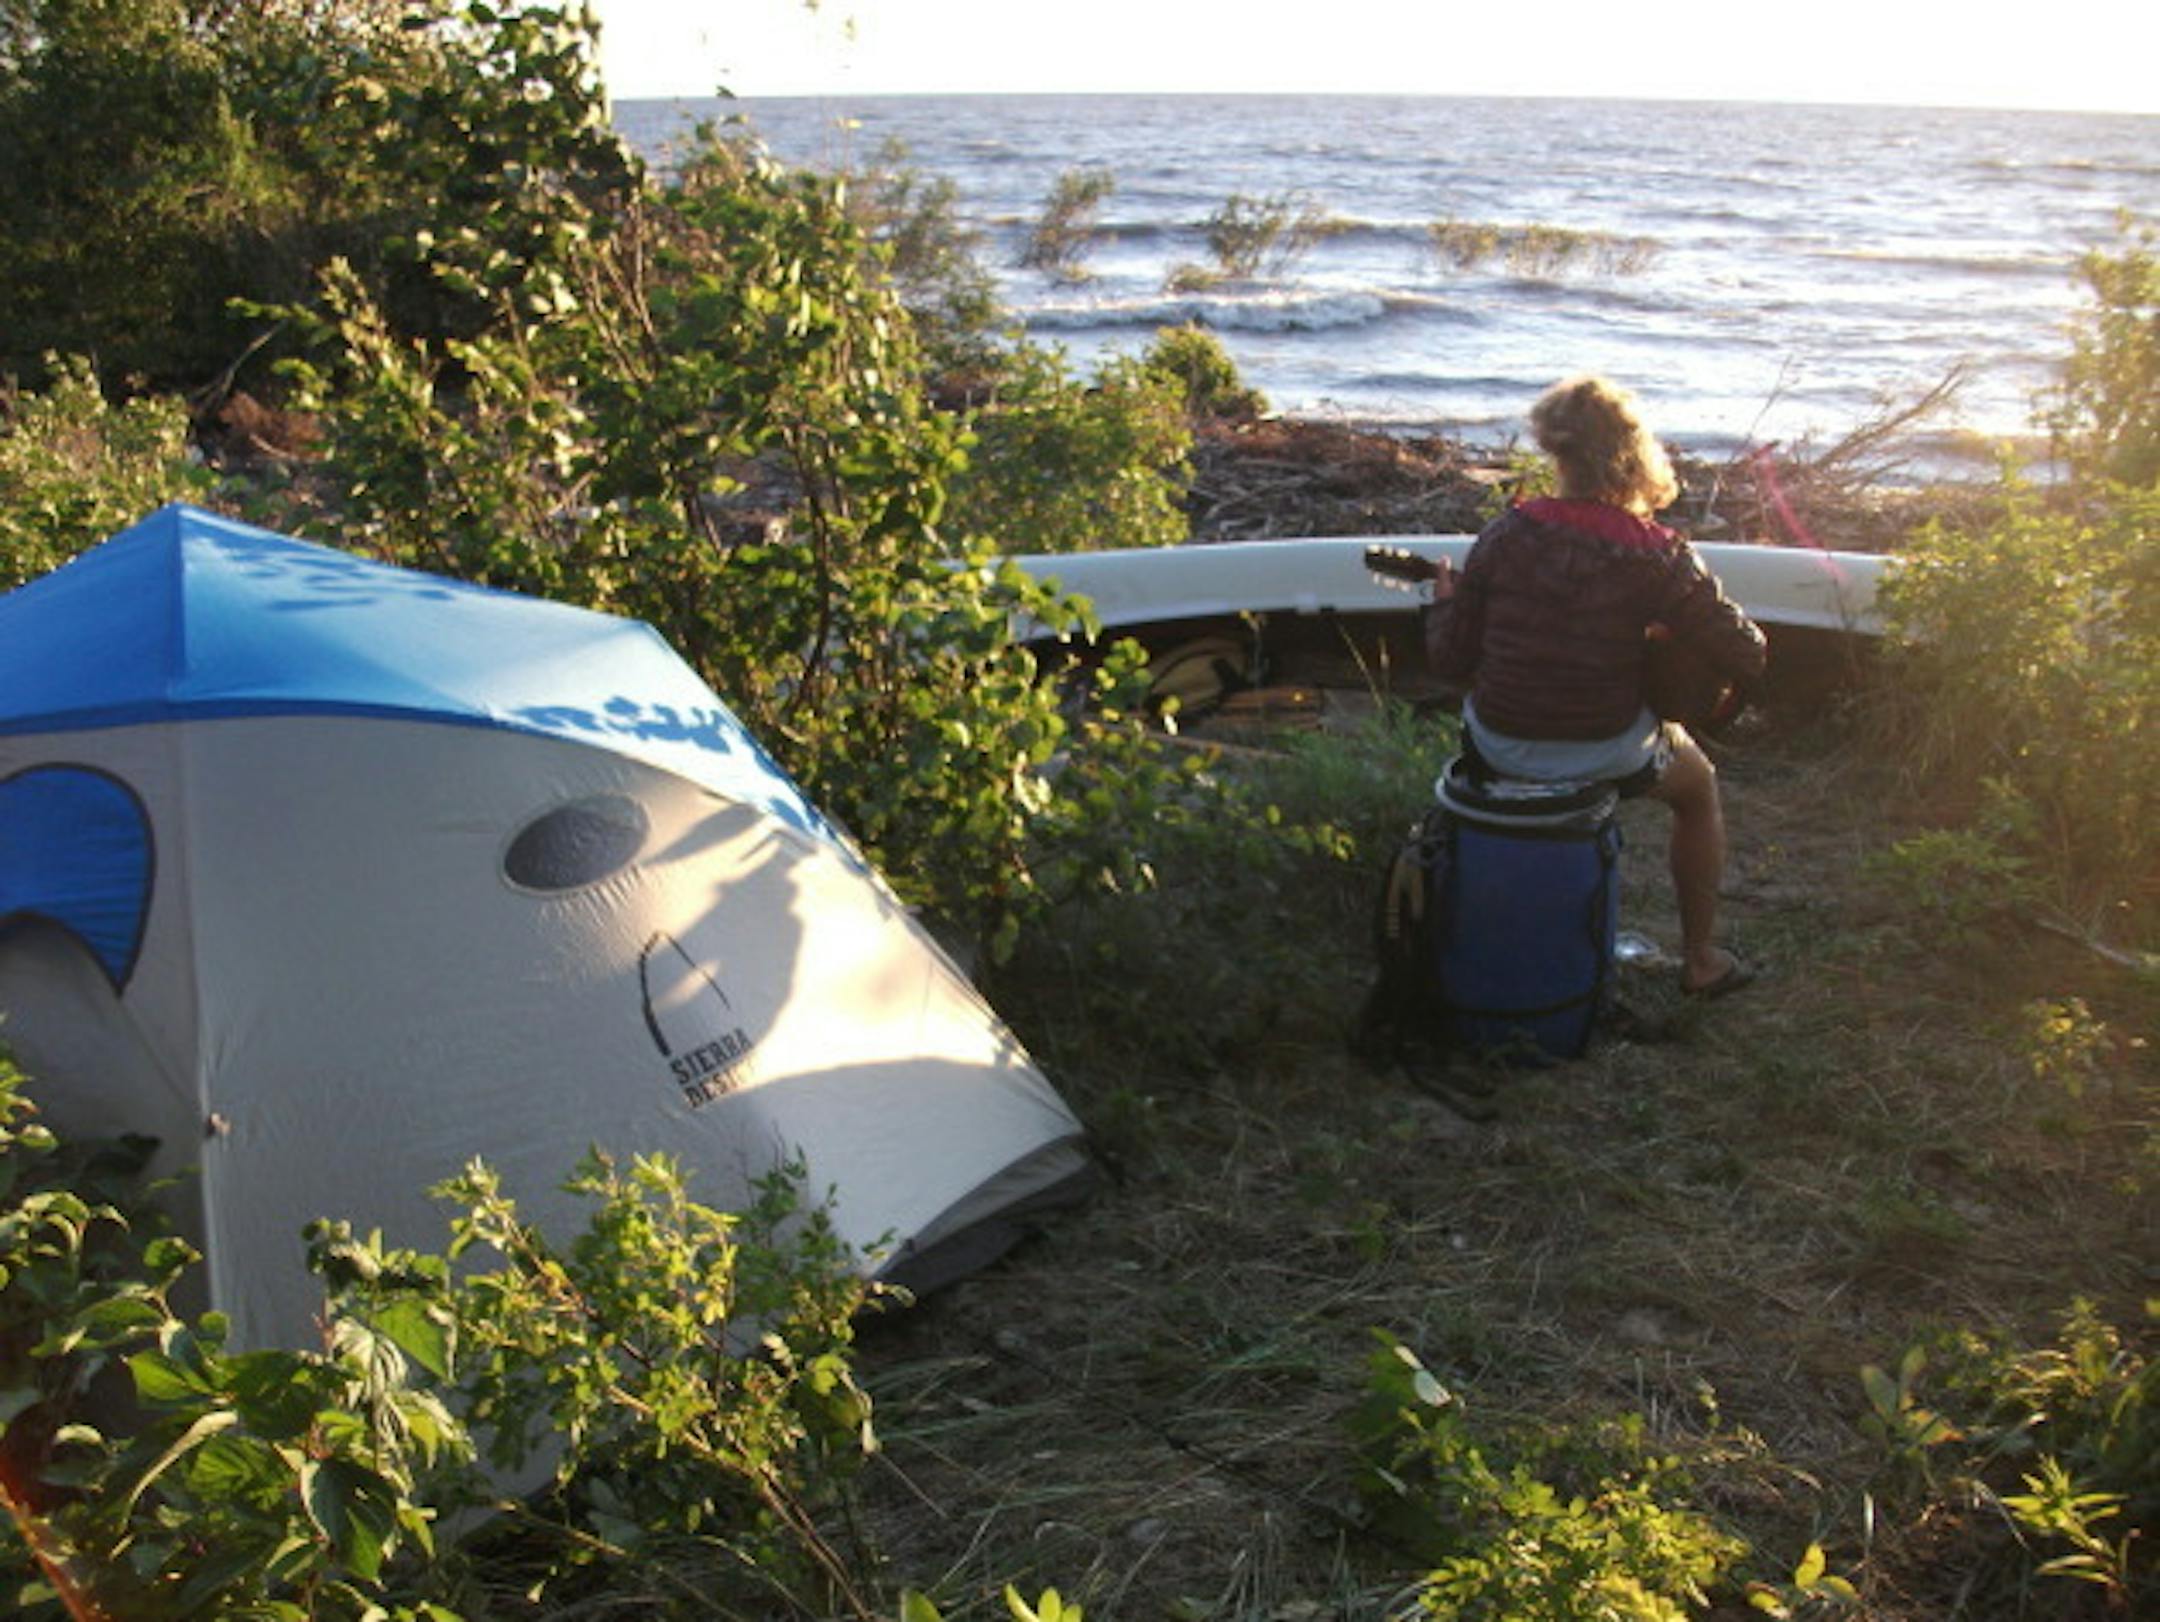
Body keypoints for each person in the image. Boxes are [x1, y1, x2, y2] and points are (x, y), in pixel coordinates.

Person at [1414, 375, 1767, 997]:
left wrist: (1442, 603)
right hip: (1601, 746)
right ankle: (1701, 961)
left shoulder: (1508, 532)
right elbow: (1747, 653)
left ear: (1557, 455)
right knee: (1698, 787)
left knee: (1508, 721)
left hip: (1498, 740)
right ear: (1634, 454)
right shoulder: (1660, 553)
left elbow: (1448, 659)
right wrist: (1669, 636)